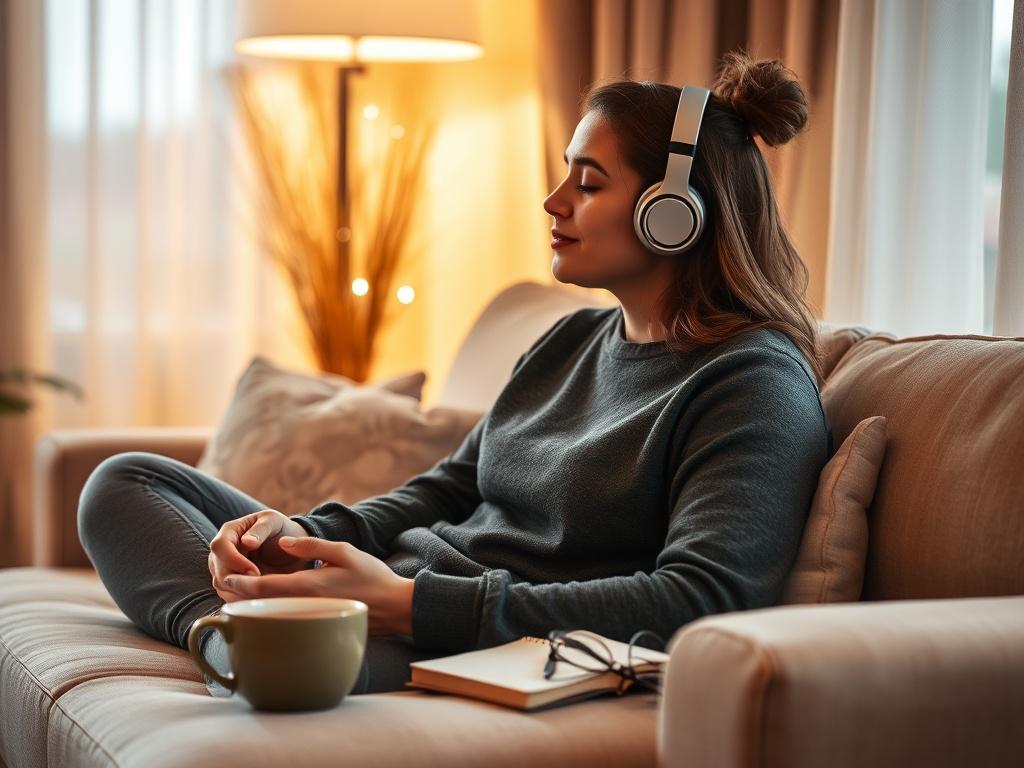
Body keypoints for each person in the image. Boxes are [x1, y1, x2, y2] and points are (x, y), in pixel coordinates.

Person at [77, 50, 833, 697]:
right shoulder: (569, 340)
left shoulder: (750, 386)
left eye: (590, 182)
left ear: (675, 212)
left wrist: (410, 606)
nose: (554, 200)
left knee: (324, 654)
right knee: (125, 482)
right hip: (394, 591)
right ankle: (224, 634)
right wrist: (303, 533)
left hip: (463, 641)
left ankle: (258, 643)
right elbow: (448, 488)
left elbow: (703, 599)